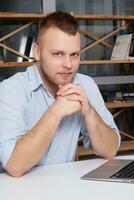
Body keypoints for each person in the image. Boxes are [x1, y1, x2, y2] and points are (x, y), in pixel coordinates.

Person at [0, 11, 120, 177]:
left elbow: (110, 150)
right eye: (58, 54)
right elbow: (14, 165)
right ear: (36, 52)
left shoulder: (85, 85)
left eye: (74, 55)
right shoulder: (11, 89)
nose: (68, 64)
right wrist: (56, 111)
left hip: (66, 188)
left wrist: (89, 112)